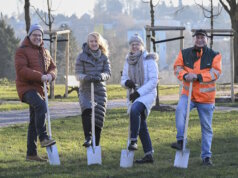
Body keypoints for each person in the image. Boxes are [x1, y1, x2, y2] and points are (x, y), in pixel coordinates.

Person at [171, 29, 222, 166]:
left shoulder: (214, 55)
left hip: (206, 98)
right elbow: (177, 67)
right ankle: (181, 140)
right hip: (188, 95)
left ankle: (206, 157)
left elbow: (215, 73)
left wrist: (198, 77)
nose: (200, 39)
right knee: (180, 111)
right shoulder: (184, 53)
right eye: (197, 37)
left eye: (202, 37)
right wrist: (184, 75)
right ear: (194, 39)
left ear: (207, 39)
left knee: (206, 128)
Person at [15, 24, 57, 162]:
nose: (37, 37)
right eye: (35, 35)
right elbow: (22, 70)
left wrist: (51, 75)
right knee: (41, 106)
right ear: (29, 36)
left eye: (39, 35)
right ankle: (44, 137)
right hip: (26, 88)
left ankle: (31, 154)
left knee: (34, 121)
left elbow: (52, 67)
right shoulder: (21, 51)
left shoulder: (45, 51)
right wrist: (40, 76)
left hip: (40, 89)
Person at [121, 34, 159, 164]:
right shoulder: (128, 60)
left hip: (147, 93)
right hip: (133, 93)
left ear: (141, 45)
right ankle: (149, 154)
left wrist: (139, 92)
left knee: (135, 110)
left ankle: (133, 140)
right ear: (130, 47)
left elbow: (154, 81)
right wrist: (127, 83)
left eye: (137, 44)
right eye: (132, 44)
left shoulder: (149, 59)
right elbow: (123, 78)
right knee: (141, 123)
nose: (135, 46)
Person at [75, 32, 111, 148]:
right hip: (85, 89)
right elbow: (77, 74)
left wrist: (101, 76)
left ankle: (96, 145)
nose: (94, 43)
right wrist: (86, 77)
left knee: (99, 118)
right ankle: (88, 137)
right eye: (91, 41)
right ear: (88, 43)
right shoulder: (81, 57)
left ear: (99, 43)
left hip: (100, 90)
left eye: (96, 41)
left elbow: (108, 73)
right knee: (87, 109)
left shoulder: (104, 57)